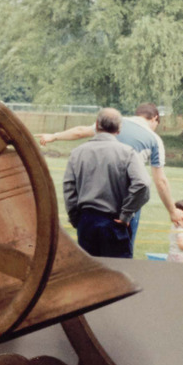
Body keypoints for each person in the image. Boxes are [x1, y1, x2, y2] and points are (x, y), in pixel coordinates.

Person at [38, 103, 183, 250]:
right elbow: (158, 180)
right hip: (122, 207)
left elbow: (80, 131)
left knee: (90, 260)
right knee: (121, 258)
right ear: (155, 118)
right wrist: (172, 211)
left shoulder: (113, 122)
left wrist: (54, 136)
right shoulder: (154, 140)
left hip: (90, 203)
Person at [62, 108, 151, 259]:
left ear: (96, 125)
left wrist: (76, 218)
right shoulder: (127, 153)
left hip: (87, 221)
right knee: (119, 276)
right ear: (119, 129)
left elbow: (69, 188)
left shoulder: (78, 152)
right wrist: (126, 214)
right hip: (114, 222)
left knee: (90, 275)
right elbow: (143, 183)